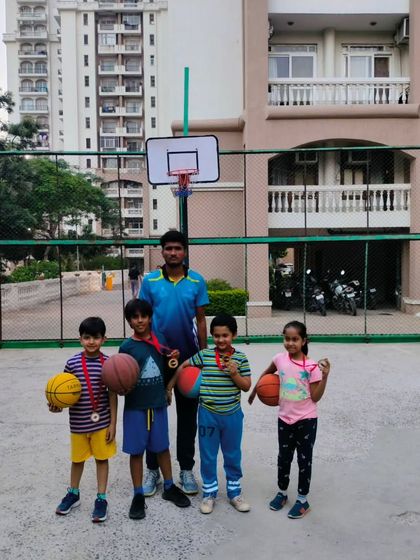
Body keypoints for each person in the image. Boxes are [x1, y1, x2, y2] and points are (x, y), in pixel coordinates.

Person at [139, 230, 209, 496]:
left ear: (185, 252)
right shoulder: (151, 281)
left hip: (189, 358)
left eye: (178, 248)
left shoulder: (197, 280)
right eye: (168, 248)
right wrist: (142, 352)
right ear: (162, 251)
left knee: (188, 417)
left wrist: (204, 355)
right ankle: (153, 469)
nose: (173, 253)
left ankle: (186, 469)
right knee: (153, 416)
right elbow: (142, 318)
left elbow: (201, 320)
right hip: (156, 357)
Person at [168, 313, 251, 515]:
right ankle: (209, 493)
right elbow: (184, 366)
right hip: (208, 413)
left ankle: (234, 492)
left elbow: (247, 386)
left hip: (232, 415)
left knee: (232, 454)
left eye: (225, 335)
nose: (221, 340)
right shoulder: (205, 355)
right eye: (216, 335)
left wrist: (234, 374)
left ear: (234, 335)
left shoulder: (240, 358)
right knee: (208, 455)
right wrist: (171, 385)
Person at [249, 320, 331, 519]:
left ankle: (303, 500)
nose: (290, 343)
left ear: (304, 341)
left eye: (295, 339)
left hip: (306, 420)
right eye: (287, 339)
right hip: (284, 419)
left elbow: (316, 397)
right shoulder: (279, 359)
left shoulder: (312, 367)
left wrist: (325, 376)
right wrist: (254, 391)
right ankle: (282, 493)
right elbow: (267, 373)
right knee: (283, 458)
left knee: (304, 460)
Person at [119, 299, 191, 520]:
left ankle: (169, 486)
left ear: (150, 317)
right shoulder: (127, 347)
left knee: (162, 447)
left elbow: (168, 367)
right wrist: (121, 387)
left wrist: (169, 383)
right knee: (136, 451)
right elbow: (121, 376)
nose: (140, 320)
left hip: (157, 404)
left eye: (143, 316)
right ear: (129, 321)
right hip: (135, 407)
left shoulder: (159, 342)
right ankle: (138, 494)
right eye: (134, 317)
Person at [49, 317, 117, 523]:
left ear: (104, 339)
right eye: (87, 337)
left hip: (102, 423)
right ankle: (73, 493)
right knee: (77, 460)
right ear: (80, 339)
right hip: (78, 424)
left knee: (101, 459)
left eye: (96, 337)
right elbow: (62, 393)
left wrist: (113, 423)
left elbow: (112, 394)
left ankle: (101, 498)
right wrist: (55, 405)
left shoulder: (109, 364)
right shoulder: (72, 363)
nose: (91, 342)